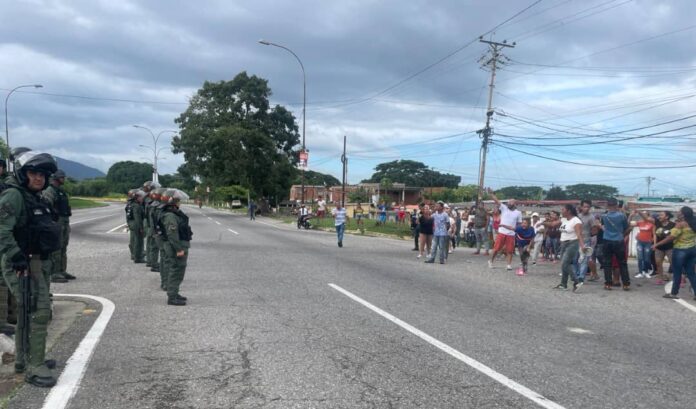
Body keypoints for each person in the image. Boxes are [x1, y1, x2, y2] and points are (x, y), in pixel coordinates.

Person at [0, 150, 60, 387]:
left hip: (37, 261)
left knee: (27, 312)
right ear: (22, 173)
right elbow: (2, 230)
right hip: (23, 262)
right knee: (39, 311)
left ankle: (25, 360)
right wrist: (17, 258)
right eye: (34, 173)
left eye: (43, 175)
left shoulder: (34, 196)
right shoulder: (14, 195)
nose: (39, 178)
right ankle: (35, 366)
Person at [159, 189, 192, 306]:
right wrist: (179, 250)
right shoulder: (170, 216)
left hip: (179, 245)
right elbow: (172, 235)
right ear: (171, 201)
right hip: (175, 247)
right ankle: (172, 297)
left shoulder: (173, 213)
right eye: (177, 200)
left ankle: (174, 292)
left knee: (179, 270)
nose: (179, 202)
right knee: (176, 270)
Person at [654, 206, 696, 300]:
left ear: (683, 214)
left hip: (680, 250)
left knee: (677, 272)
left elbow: (671, 237)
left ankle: (673, 293)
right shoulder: (693, 223)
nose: (677, 212)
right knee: (691, 272)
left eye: (679, 211)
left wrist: (656, 244)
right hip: (692, 250)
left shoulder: (681, 224)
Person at [41, 169, 75, 283]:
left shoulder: (60, 191)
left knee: (63, 246)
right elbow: (47, 206)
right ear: (56, 178)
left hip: (64, 220)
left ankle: (62, 270)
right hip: (57, 221)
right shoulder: (50, 191)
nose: (63, 179)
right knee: (56, 247)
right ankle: (54, 273)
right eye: (62, 177)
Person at [547, 204, 586, 292]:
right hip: (563, 243)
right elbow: (553, 224)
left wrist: (582, 246)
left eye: (563, 209)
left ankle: (576, 282)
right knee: (564, 264)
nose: (561, 211)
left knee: (565, 263)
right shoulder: (564, 219)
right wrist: (542, 222)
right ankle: (563, 284)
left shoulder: (576, 221)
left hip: (572, 243)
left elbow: (579, 234)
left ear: (569, 211)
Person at [487, 189, 522, 271]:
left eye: (511, 202)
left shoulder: (518, 213)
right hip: (502, 232)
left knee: (509, 250)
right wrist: (492, 194)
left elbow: (519, 224)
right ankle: (490, 261)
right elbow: (496, 201)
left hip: (511, 234)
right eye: (508, 202)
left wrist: (517, 231)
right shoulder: (504, 208)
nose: (509, 203)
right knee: (496, 249)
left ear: (515, 204)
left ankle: (509, 265)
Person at [600, 198, 631, 291]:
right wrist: (622, 234)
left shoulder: (604, 216)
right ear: (617, 205)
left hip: (607, 240)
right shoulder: (622, 216)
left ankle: (608, 284)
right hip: (619, 240)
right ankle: (626, 284)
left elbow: (603, 227)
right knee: (622, 263)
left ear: (608, 205)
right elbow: (626, 228)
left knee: (607, 263)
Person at [150, 188, 169, 290]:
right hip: (163, 236)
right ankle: (165, 282)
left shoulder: (156, 206)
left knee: (163, 258)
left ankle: (164, 281)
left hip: (158, 234)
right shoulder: (161, 208)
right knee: (166, 259)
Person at [633, 210, 656, 278]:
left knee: (647, 258)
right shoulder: (640, 222)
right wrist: (631, 216)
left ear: (648, 215)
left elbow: (654, 234)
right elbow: (629, 223)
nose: (643, 215)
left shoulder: (652, 223)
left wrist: (654, 244)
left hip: (648, 242)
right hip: (640, 242)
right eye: (643, 214)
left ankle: (646, 271)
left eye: (645, 214)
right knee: (640, 258)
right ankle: (640, 272)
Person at [654, 211, 675, 284]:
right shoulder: (657, 223)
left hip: (670, 247)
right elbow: (655, 235)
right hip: (659, 247)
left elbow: (673, 236)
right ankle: (660, 277)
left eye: (661, 215)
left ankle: (677, 278)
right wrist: (655, 244)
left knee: (673, 262)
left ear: (667, 217)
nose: (659, 216)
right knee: (658, 262)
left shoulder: (673, 225)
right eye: (659, 215)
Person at [128, 190, 146, 263]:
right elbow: (137, 218)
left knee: (133, 240)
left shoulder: (130, 204)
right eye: (140, 197)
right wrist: (141, 228)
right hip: (136, 225)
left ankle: (134, 255)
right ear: (136, 198)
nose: (142, 198)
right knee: (138, 242)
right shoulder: (136, 206)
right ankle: (138, 258)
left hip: (131, 224)